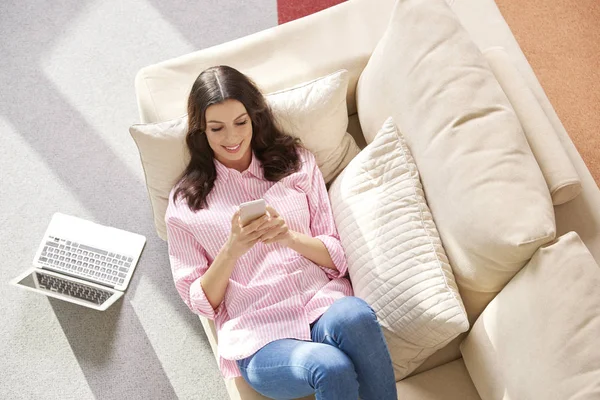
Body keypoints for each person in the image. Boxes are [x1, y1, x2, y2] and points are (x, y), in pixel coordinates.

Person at [165, 65, 397, 400]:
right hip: (261, 337)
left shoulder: (296, 163)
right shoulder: (186, 204)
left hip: (322, 304)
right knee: (329, 366)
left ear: (255, 117)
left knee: (356, 315)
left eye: (240, 122)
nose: (231, 138)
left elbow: (337, 254)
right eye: (217, 128)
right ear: (201, 131)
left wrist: (288, 237)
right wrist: (231, 249)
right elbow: (200, 301)